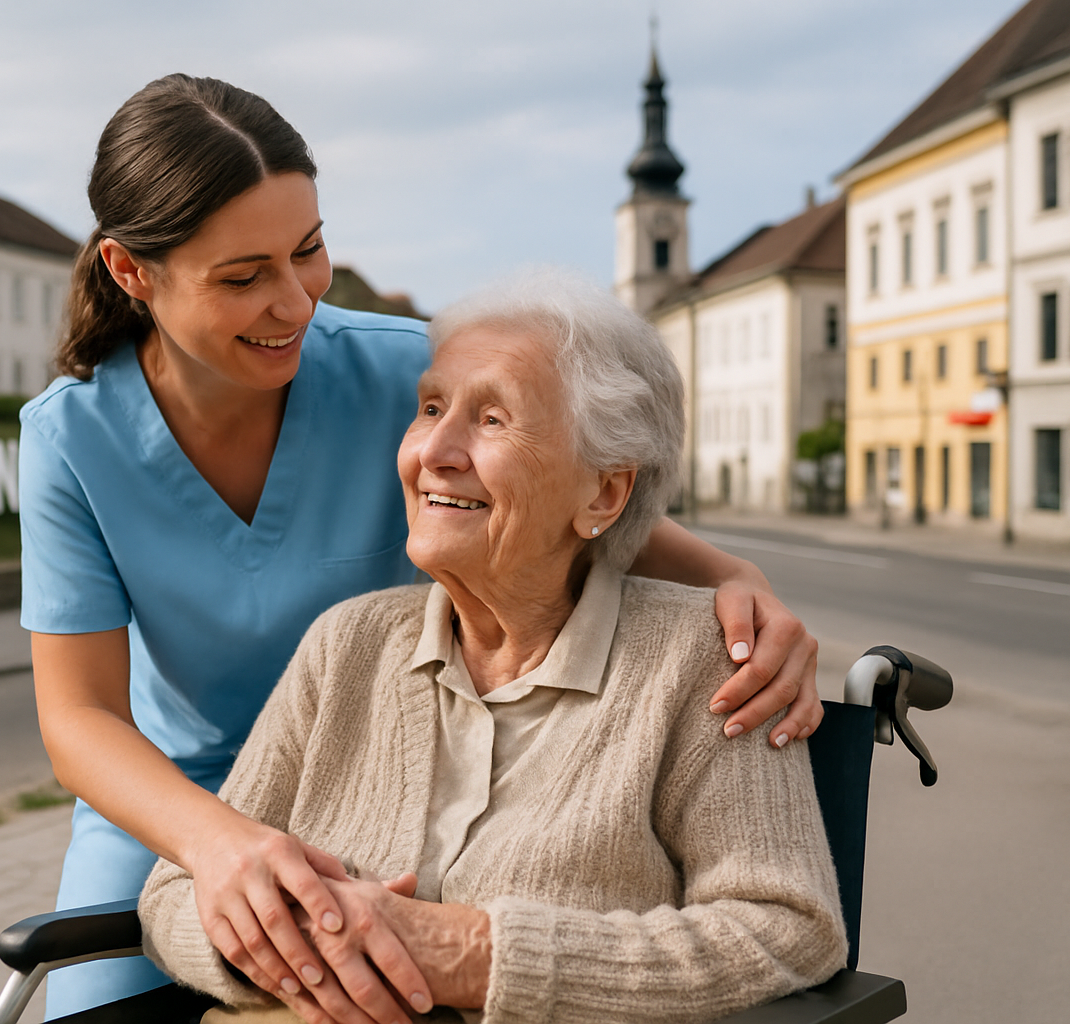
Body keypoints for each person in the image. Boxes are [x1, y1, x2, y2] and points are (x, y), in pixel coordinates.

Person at [19, 75, 823, 1022]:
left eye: (309, 252)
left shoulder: (404, 371)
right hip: (180, 795)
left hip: (390, 762)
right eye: (243, 277)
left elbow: (588, 491)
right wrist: (222, 847)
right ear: (131, 273)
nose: (294, 303)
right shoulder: (73, 438)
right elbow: (79, 720)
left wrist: (740, 585)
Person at [139, 269, 846, 1024]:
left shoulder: (703, 662)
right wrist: (301, 949)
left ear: (604, 493)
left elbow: (787, 929)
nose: (433, 451)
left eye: (494, 420)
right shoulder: (346, 645)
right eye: (432, 408)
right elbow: (171, 897)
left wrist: (473, 954)